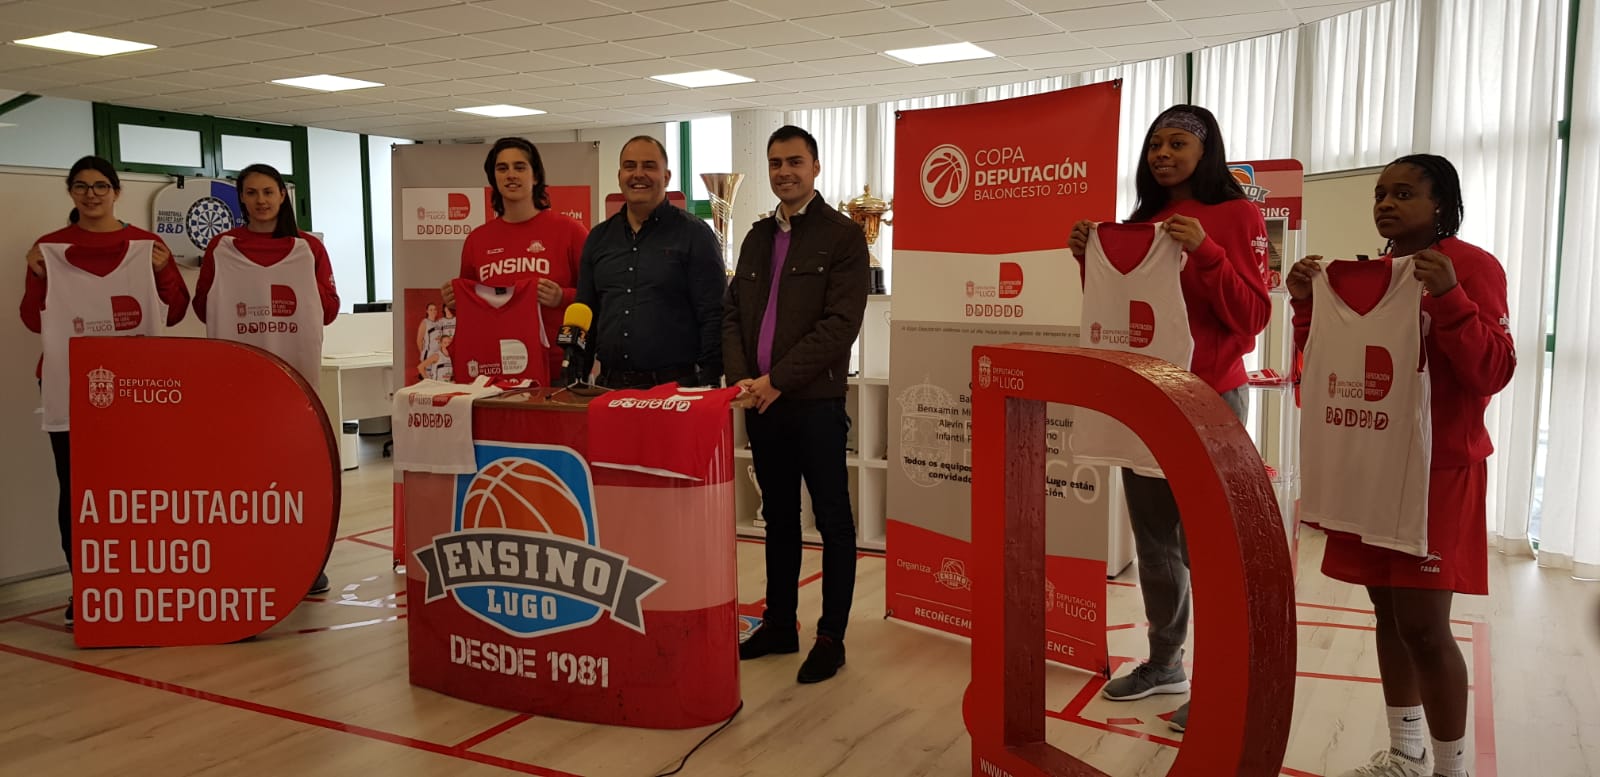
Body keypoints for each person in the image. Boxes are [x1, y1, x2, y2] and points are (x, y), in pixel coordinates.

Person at [1287, 154, 1514, 777]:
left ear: (1441, 203)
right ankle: (1407, 753)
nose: (1386, 203)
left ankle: (1453, 768)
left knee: (1423, 624)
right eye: (1381, 194)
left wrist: (1450, 298)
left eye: (1404, 193)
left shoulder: (1472, 268)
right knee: (1387, 612)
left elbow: (1493, 370)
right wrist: (1307, 305)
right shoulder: (1371, 273)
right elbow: (1339, 365)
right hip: (1374, 466)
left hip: (1439, 474)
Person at [1068, 105, 1272, 732]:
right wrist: (1090, 260)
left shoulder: (1237, 216)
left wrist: (1207, 253)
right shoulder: (1143, 223)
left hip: (1210, 400)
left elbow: (1253, 317)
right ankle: (1165, 662)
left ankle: (1221, 683)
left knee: (1209, 548)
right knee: (1154, 546)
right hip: (1146, 401)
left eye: (1177, 142)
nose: (1162, 153)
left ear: (1205, 150)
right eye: (1155, 143)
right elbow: (1126, 314)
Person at [19, 155, 191, 629]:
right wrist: (36, 277)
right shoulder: (49, 248)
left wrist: (162, 273)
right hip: (69, 385)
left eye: (100, 185)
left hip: (138, 389)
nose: (91, 194)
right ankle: (86, 587)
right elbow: (33, 319)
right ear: (70, 192)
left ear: (116, 191)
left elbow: (175, 313)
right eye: (81, 186)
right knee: (78, 490)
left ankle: (140, 581)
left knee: (141, 488)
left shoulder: (146, 245)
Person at [724, 125, 868, 684]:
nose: (784, 171)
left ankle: (831, 637)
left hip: (814, 404)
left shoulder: (844, 237)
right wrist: (743, 379)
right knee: (778, 519)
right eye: (776, 162)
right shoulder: (757, 237)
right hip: (761, 405)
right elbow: (733, 313)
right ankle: (780, 622)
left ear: (815, 167)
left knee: (833, 521)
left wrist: (778, 379)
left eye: (795, 161)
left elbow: (840, 326)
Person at [193, 162, 339, 595]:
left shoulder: (308, 248)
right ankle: (247, 557)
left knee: (297, 477)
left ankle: (306, 562)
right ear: (241, 198)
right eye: (252, 193)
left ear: (282, 197)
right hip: (238, 386)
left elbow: (328, 310)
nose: (260, 201)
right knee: (243, 477)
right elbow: (204, 309)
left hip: (295, 385)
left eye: (268, 192)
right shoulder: (221, 247)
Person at [576, 135, 724, 389]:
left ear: (666, 177)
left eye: (649, 166)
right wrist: (577, 377)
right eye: (630, 166)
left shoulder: (694, 235)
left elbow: (714, 315)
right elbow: (585, 314)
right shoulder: (598, 238)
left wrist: (709, 383)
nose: (638, 174)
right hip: (609, 388)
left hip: (676, 389)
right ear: (619, 175)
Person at [445, 137, 586, 382]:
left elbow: (598, 296)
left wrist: (561, 297)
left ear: (535, 176)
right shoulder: (477, 240)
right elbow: (471, 307)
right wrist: (453, 301)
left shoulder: (569, 231)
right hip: (491, 370)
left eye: (520, 167)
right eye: (503, 168)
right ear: (494, 179)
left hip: (557, 368)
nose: (511, 175)